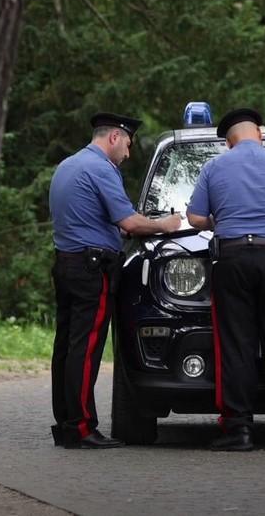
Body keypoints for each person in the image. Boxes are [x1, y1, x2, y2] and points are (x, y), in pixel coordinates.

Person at [49, 112, 182, 449]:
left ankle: (65, 423)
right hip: (92, 269)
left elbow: (95, 220)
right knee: (86, 349)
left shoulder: (67, 166)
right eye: (128, 144)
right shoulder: (101, 169)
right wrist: (165, 225)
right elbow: (130, 224)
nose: (128, 152)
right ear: (114, 138)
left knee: (66, 346)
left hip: (66, 263)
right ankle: (81, 428)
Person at [186, 108, 265, 451]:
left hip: (232, 260)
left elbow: (195, 218)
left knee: (236, 345)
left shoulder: (214, 167)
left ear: (228, 142)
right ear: (259, 133)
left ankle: (238, 431)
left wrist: (219, 220)